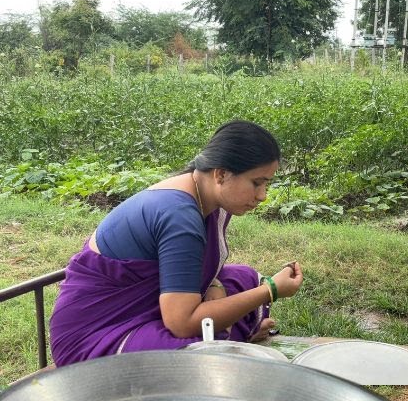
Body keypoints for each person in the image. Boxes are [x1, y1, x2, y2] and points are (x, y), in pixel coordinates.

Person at [49, 121, 304, 365]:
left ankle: (229, 331)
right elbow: (181, 324)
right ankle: (232, 335)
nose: (262, 196)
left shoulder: (207, 197)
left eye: (266, 184)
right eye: (256, 183)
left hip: (152, 306)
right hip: (94, 335)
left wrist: (215, 285)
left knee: (243, 278)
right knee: (194, 359)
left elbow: (204, 267)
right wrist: (270, 290)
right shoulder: (180, 216)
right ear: (221, 174)